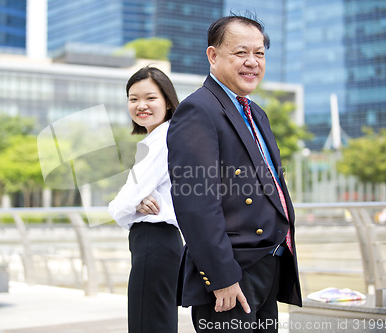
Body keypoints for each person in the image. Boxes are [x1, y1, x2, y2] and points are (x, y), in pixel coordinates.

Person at [167, 14, 302, 332]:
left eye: (259, 53)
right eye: (241, 52)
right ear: (213, 56)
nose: (252, 62)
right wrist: (221, 277)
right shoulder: (198, 110)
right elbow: (196, 206)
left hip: (268, 265)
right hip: (232, 276)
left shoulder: (255, 112)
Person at [108, 66, 183, 333]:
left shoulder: (163, 139)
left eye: (151, 98)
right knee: (157, 323)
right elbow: (133, 198)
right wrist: (133, 204)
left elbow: (121, 203)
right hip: (162, 243)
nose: (141, 105)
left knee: (147, 325)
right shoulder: (163, 137)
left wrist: (125, 206)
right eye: (133, 98)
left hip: (155, 241)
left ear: (167, 100)